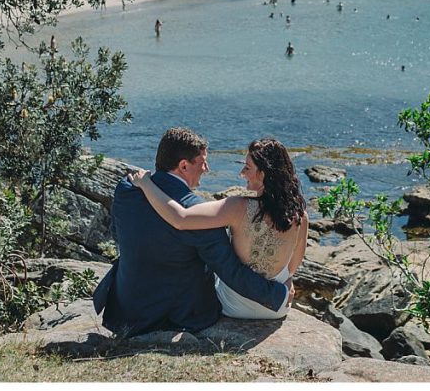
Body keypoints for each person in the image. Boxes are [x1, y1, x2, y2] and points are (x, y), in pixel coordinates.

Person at [92, 127, 290, 336]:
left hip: (127, 309)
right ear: (184, 165)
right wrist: (279, 294)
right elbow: (231, 272)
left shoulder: (126, 189)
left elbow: (119, 234)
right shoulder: (198, 213)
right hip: (175, 316)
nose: (207, 168)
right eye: (203, 161)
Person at [130, 138, 308, 320]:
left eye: (247, 168)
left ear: (263, 174)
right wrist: (285, 285)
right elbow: (292, 268)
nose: (241, 173)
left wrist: (146, 184)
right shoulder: (300, 216)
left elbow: (180, 218)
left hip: (233, 305)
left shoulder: (238, 207)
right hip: (276, 308)